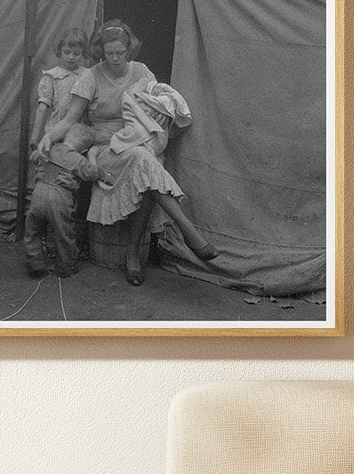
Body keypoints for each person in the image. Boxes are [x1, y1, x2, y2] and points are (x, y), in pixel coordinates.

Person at [36, 19, 217, 286]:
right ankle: (187, 231)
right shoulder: (91, 77)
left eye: (121, 52)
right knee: (145, 161)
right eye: (109, 53)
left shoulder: (141, 71)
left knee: (146, 160)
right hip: (106, 149)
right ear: (101, 51)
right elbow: (70, 120)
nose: (116, 58)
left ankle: (134, 253)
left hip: (138, 139)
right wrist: (46, 138)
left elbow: (156, 103)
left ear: (129, 49)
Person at [23, 124, 98, 278]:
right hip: (60, 197)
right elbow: (92, 174)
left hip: (39, 192)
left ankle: (35, 264)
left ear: (66, 136)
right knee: (64, 233)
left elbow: (34, 158)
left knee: (33, 230)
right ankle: (65, 267)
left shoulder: (49, 148)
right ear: (84, 150)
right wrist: (92, 157)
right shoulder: (78, 158)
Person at [29, 28, 93, 153]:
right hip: (55, 132)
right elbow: (42, 108)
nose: (71, 57)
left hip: (79, 134)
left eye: (76, 53)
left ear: (83, 53)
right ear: (60, 51)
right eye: (67, 52)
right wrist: (35, 136)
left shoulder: (86, 75)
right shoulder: (51, 77)